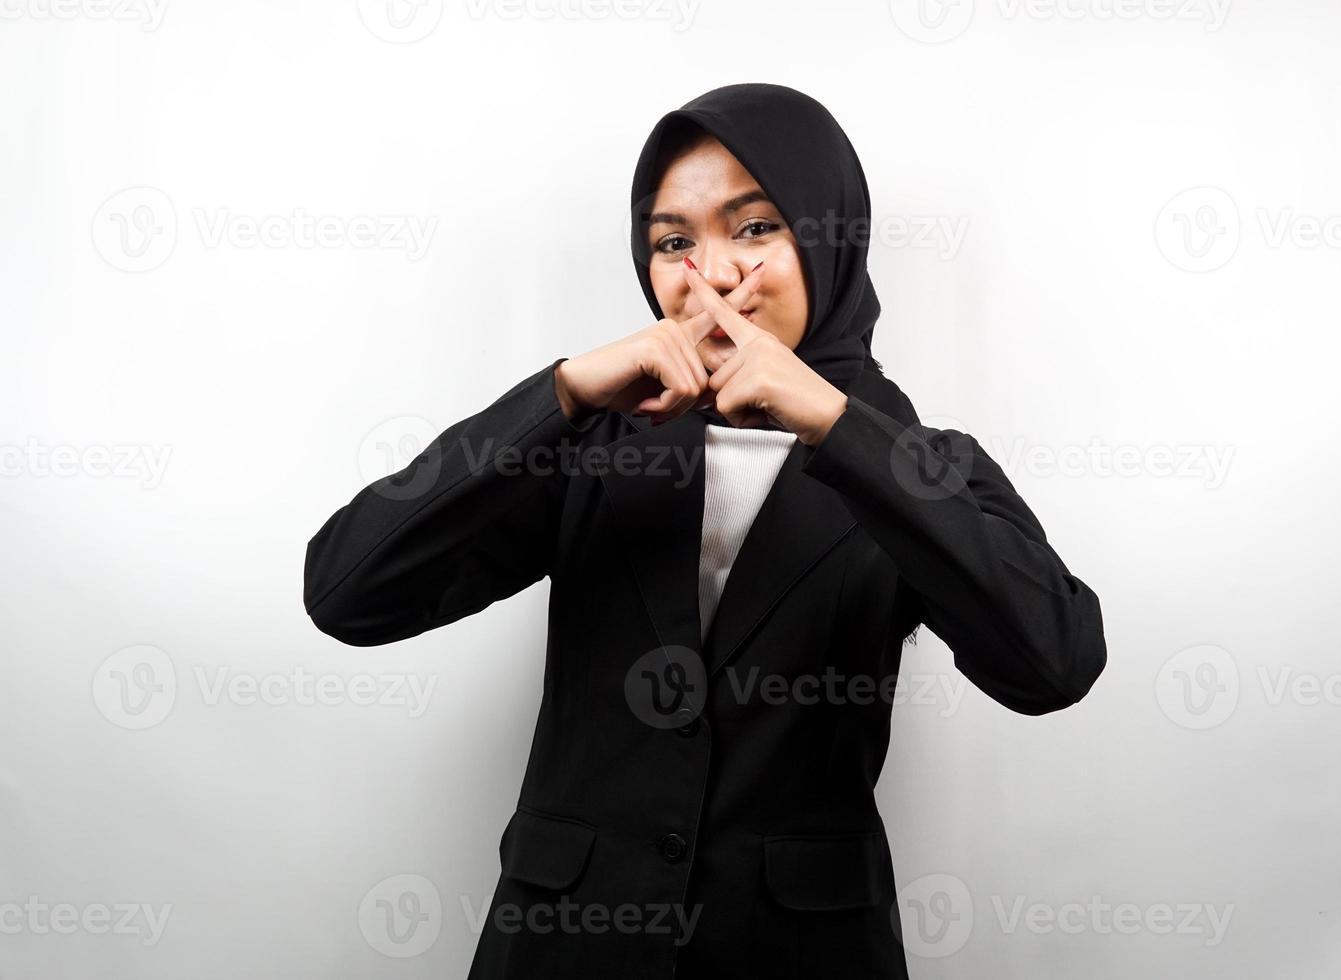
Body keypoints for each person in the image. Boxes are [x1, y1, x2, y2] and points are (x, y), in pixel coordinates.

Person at [302, 82, 1107, 980]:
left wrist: (838, 426)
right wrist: (560, 393)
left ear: (829, 236)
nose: (713, 275)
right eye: (674, 242)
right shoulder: (592, 442)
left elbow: (1054, 664)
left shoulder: (919, 464)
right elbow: (347, 592)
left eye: (756, 227)